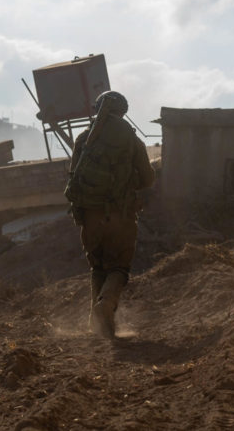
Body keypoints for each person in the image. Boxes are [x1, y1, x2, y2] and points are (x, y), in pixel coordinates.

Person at [66, 91, 155, 339]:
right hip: (121, 216)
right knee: (118, 268)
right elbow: (147, 180)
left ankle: (98, 326)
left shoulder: (84, 139)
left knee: (98, 268)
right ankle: (105, 305)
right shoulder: (131, 140)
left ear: (97, 110)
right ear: (123, 112)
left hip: (90, 217)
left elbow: (74, 177)